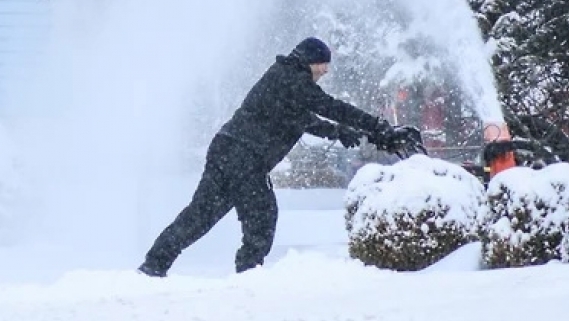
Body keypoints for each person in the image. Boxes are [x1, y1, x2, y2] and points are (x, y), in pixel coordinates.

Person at [137, 37, 410, 277]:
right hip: (245, 156)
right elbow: (331, 107)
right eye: (322, 63)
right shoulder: (293, 79)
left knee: (200, 216)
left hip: (227, 150)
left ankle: (154, 264)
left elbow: (301, 119)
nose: (325, 70)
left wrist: (340, 132)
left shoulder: (283, 78)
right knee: (262, 216)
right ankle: (249, 276)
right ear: (309, 61)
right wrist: (377, 126)